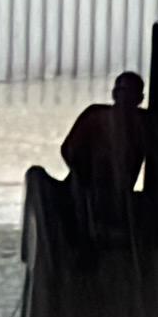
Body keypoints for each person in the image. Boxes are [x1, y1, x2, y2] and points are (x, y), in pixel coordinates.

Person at [60, 71, 149, 224]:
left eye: (129, 93)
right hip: (85, 187)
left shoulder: (145, 124)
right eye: (121, 92)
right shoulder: (95, 116)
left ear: (140, 98)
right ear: (114, 94)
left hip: (117, 192)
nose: (124, 97)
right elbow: (69, 150)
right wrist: (85, 179)